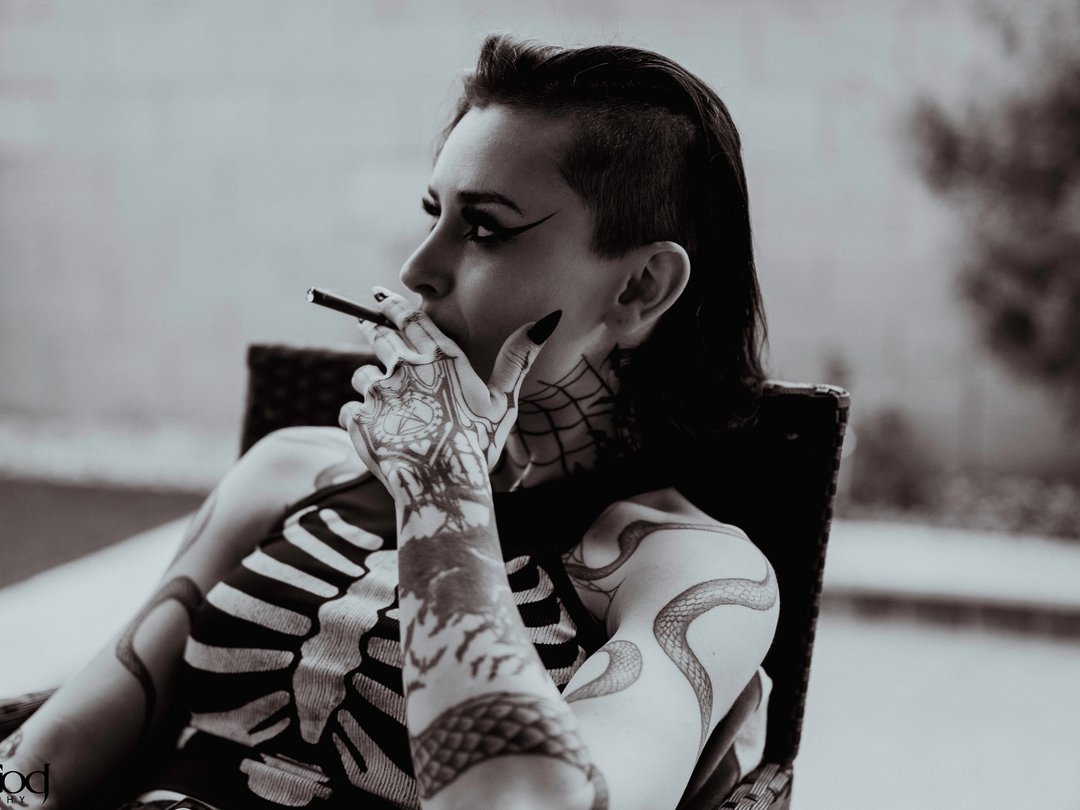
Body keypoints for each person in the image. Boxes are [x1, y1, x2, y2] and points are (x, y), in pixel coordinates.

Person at [1, 34, 779, 810]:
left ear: (641, 287)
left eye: (485, 228)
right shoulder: (291, 470)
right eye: (433, 214)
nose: (416, 269)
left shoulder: (692, 573)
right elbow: (52, 753)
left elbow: (528, 802)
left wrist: (442, 485)